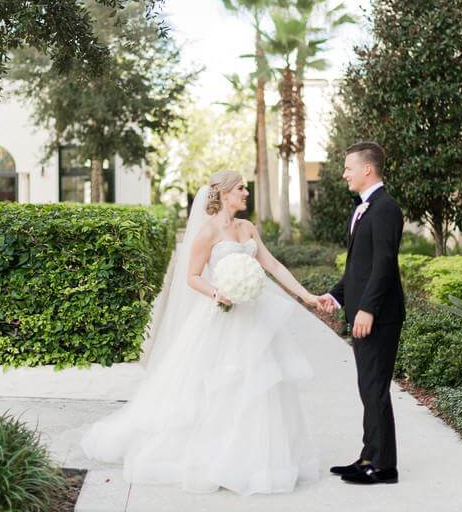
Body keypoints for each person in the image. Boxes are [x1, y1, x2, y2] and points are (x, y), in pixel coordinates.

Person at [81, 170, 324, 495]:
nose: (246, 193)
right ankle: (215, 458)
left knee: (261, 386)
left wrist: (307, 296)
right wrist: (216, 292)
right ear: (224, 193)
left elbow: (274, 266)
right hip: (222, 315)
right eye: (241, 188)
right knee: (218, 387)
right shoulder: (207, 233)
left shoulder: (247, 228)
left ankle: (252, 459)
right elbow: (192, 275)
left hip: (255, 317)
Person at [319, 141, 405, 486]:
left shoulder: (385, 208)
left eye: (348, 168)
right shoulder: (364, 208)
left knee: (375, 389)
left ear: (367, 169)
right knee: (368, 388)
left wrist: (367, 308)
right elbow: (360, 266)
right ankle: (370, 456)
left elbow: (384, 265)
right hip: (365, 312)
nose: (344, 174)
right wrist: (336, 296)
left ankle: (384, 467)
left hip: (380, 316)